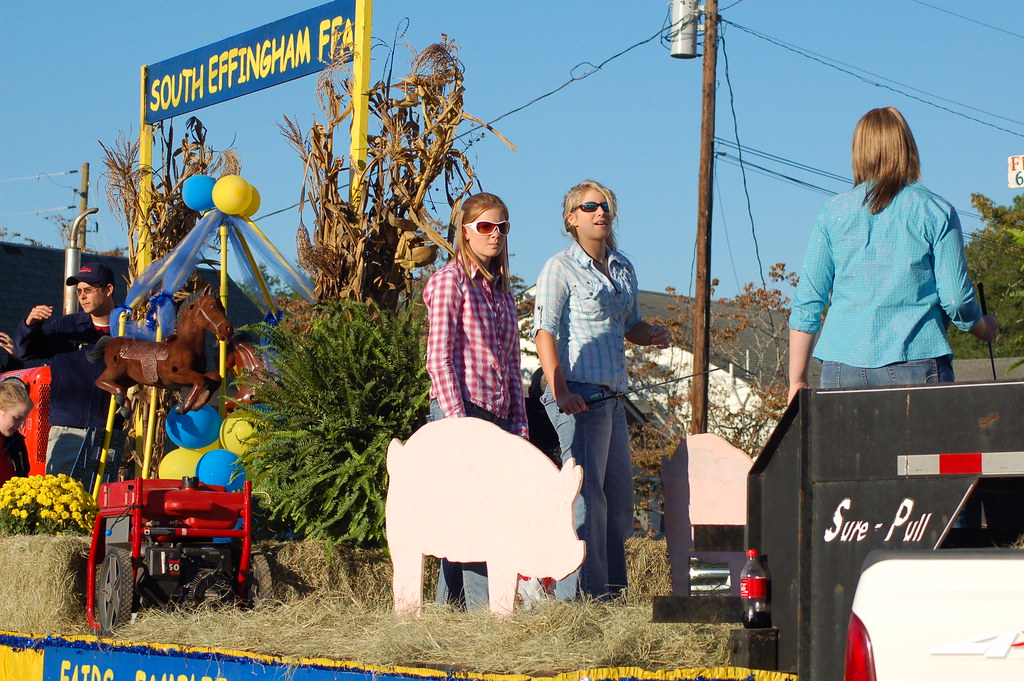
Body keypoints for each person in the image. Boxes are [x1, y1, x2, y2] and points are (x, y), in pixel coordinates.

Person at [789, 106, 998, 403]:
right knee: (923, 451)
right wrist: (983, 328)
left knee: (849, 452)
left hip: (840, 368)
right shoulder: (936, 211)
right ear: (907, 147)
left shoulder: (832, 213)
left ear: (858, 152)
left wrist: (796, 380)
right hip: (916, 362)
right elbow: (956, 300)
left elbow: (809, 298)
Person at [533, 179, 670, 600]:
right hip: (576, 393)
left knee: (618, 503)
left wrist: (652, 333)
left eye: (606, 205)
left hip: (612, 399)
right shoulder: (560, 267)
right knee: (586, 502)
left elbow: (629, 326)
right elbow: (544, 333)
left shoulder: (624, 266)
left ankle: (612, 596)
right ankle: (582, 600)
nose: (601, 212)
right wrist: (560, 392)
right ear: (571, 219)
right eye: (590, 206)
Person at [423, 192, 529, 610]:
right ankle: (487, 618)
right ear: (464, 232)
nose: (495, 234)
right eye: (485, 226)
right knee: (477, 521)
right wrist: (457, 422)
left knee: (471, 520)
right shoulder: (451, 280)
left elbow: (512, 366)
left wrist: (519, 429)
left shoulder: (502, 293)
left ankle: (442, 616)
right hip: (460, 411)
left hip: (498, 418)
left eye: (502, 226)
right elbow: (438, 357)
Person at [13, 263, 118, 476]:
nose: (82, 296)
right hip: (67, 432)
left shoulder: (128, 329)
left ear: (108, 290)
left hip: (111, 433)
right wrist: (30, 324)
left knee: (105, 502)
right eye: (78, 291)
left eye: (88, 290)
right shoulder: (66, 326)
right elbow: (23, 352)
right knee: (61, 502)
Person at [0, 379, 33, 487]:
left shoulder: (16, 441)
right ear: (1, 408)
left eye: (24, 419)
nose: (21, 424)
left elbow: (22, 474)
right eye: (17, 418)